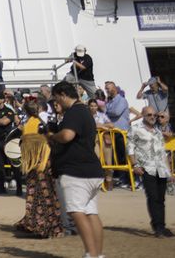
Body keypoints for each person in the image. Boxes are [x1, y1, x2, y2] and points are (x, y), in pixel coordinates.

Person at [49, 81, 106, 258]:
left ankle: (91, 254)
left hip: (76, 171)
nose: (56, 102)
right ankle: (97, 254)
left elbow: (67, 135)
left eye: (56, 98)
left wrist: (52, 136)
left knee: (76, 211)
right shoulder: (85, 111)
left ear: (63, 95)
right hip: (91, 170)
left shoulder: (74, 111)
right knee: (91, 213)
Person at [14, 97, 63, 239]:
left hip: (37, 163)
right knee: (43, 192)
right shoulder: (42, 121)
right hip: (42, 162)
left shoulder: (34, 123)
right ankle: (41, 224)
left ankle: (40, 225)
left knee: (37, 192)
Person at [127, 106, 174, 237]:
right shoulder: (135, 129)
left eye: (155, 115)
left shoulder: (158, 132)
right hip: (146, 168)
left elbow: (163, 153)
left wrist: (169, 172)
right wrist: (134, 165)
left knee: (161, 199)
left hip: (161, 169)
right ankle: (157, 226)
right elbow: (130, 148)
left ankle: (162, 226)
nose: (153, 117)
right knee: (153, 197)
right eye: (149, 115)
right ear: (142, 115)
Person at [101, 81, 132, 188]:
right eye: (106, 88)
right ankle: (122, 179)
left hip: (122, 132)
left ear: (114, 89)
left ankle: (132, 180)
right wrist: (108, 110)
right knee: (117, 157)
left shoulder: (122, 100)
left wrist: (108, 111)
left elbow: (116, 112)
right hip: (113, 133)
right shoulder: (109, 102)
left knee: (126, 156)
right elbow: (106, 113)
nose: (107, 90)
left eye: (108, 88)